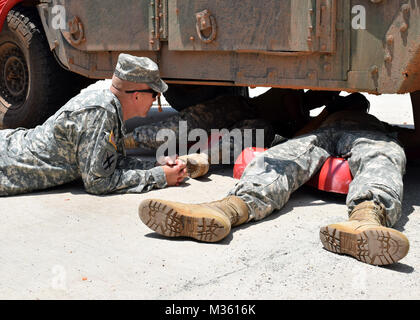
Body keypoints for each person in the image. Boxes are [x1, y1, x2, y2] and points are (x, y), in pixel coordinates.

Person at [138, 93, 410, 266]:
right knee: (278, 159)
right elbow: (297, 139)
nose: (356, 104)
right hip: (325, 134)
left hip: (356, 135)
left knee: (384, 154)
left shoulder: (374, 124)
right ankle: (223, 209)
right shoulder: (330, 117)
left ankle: (365, 220)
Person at [0, 54, 189, 196]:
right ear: (137, 95)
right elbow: (99, 182)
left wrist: (154, 165)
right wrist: (158, 177)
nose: (156, 100)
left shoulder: (110, 107)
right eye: (155, 95)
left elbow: (109, 163)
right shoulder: (101, 113)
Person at [123, 88, 340, 177]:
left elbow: (299, 139)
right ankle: (126, 141)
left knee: (250, 133)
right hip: (242, 107)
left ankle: (196, 161)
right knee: (186, 124)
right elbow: (293, 111)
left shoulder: (314, 117)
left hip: (261, 128)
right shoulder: (293, 93)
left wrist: (325, 112)